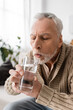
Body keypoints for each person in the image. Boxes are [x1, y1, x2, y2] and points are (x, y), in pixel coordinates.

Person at [3, 13, 73, 110]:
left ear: (59, 40)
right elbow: (8, 89)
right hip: (40, 102)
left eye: (44, 38)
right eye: (33, 38)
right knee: (11, 108)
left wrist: (39, 91)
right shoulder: (29, 57)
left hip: (65, 103)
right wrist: (15, 81)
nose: (35, 45)